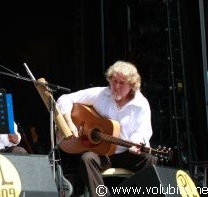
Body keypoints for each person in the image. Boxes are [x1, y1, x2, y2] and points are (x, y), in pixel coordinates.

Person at [56, 60, 157, 196]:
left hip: (126, 152)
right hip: (103, 154)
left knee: (150, 159)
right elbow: (65, 99)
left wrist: (136, 143)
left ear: (132, 85)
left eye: (122, 83)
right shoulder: (101, 94)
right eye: (114, 81)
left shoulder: (141, 104)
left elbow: (142, 131)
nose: (116, 86)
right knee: (87, 159)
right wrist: (69, 122)